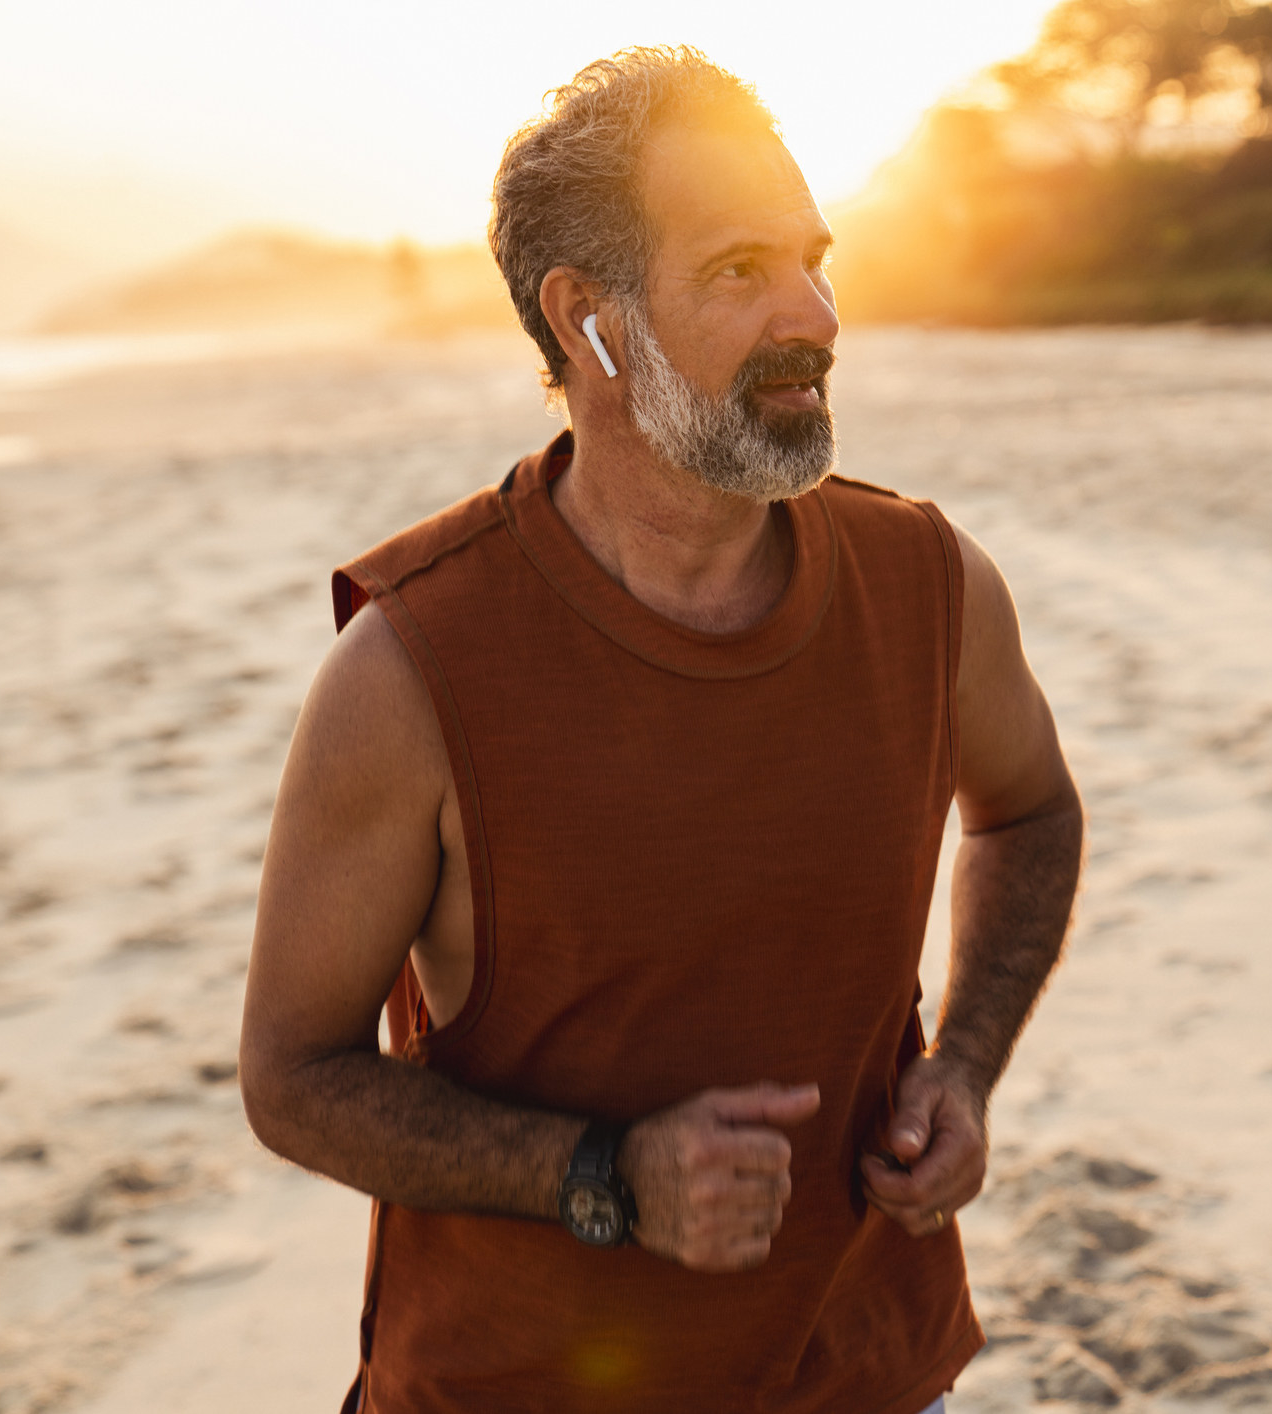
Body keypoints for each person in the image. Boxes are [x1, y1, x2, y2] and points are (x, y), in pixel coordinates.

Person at [239, 46, 1083, 1414]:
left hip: (874, 1375)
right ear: (591, 324)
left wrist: (969, 1068)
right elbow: (292, 1078)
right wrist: (603, 1178)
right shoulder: (410, 666)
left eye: (815, 258)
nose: (814, 310)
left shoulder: (929, 584)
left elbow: (1030, 810)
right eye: (739, 272)